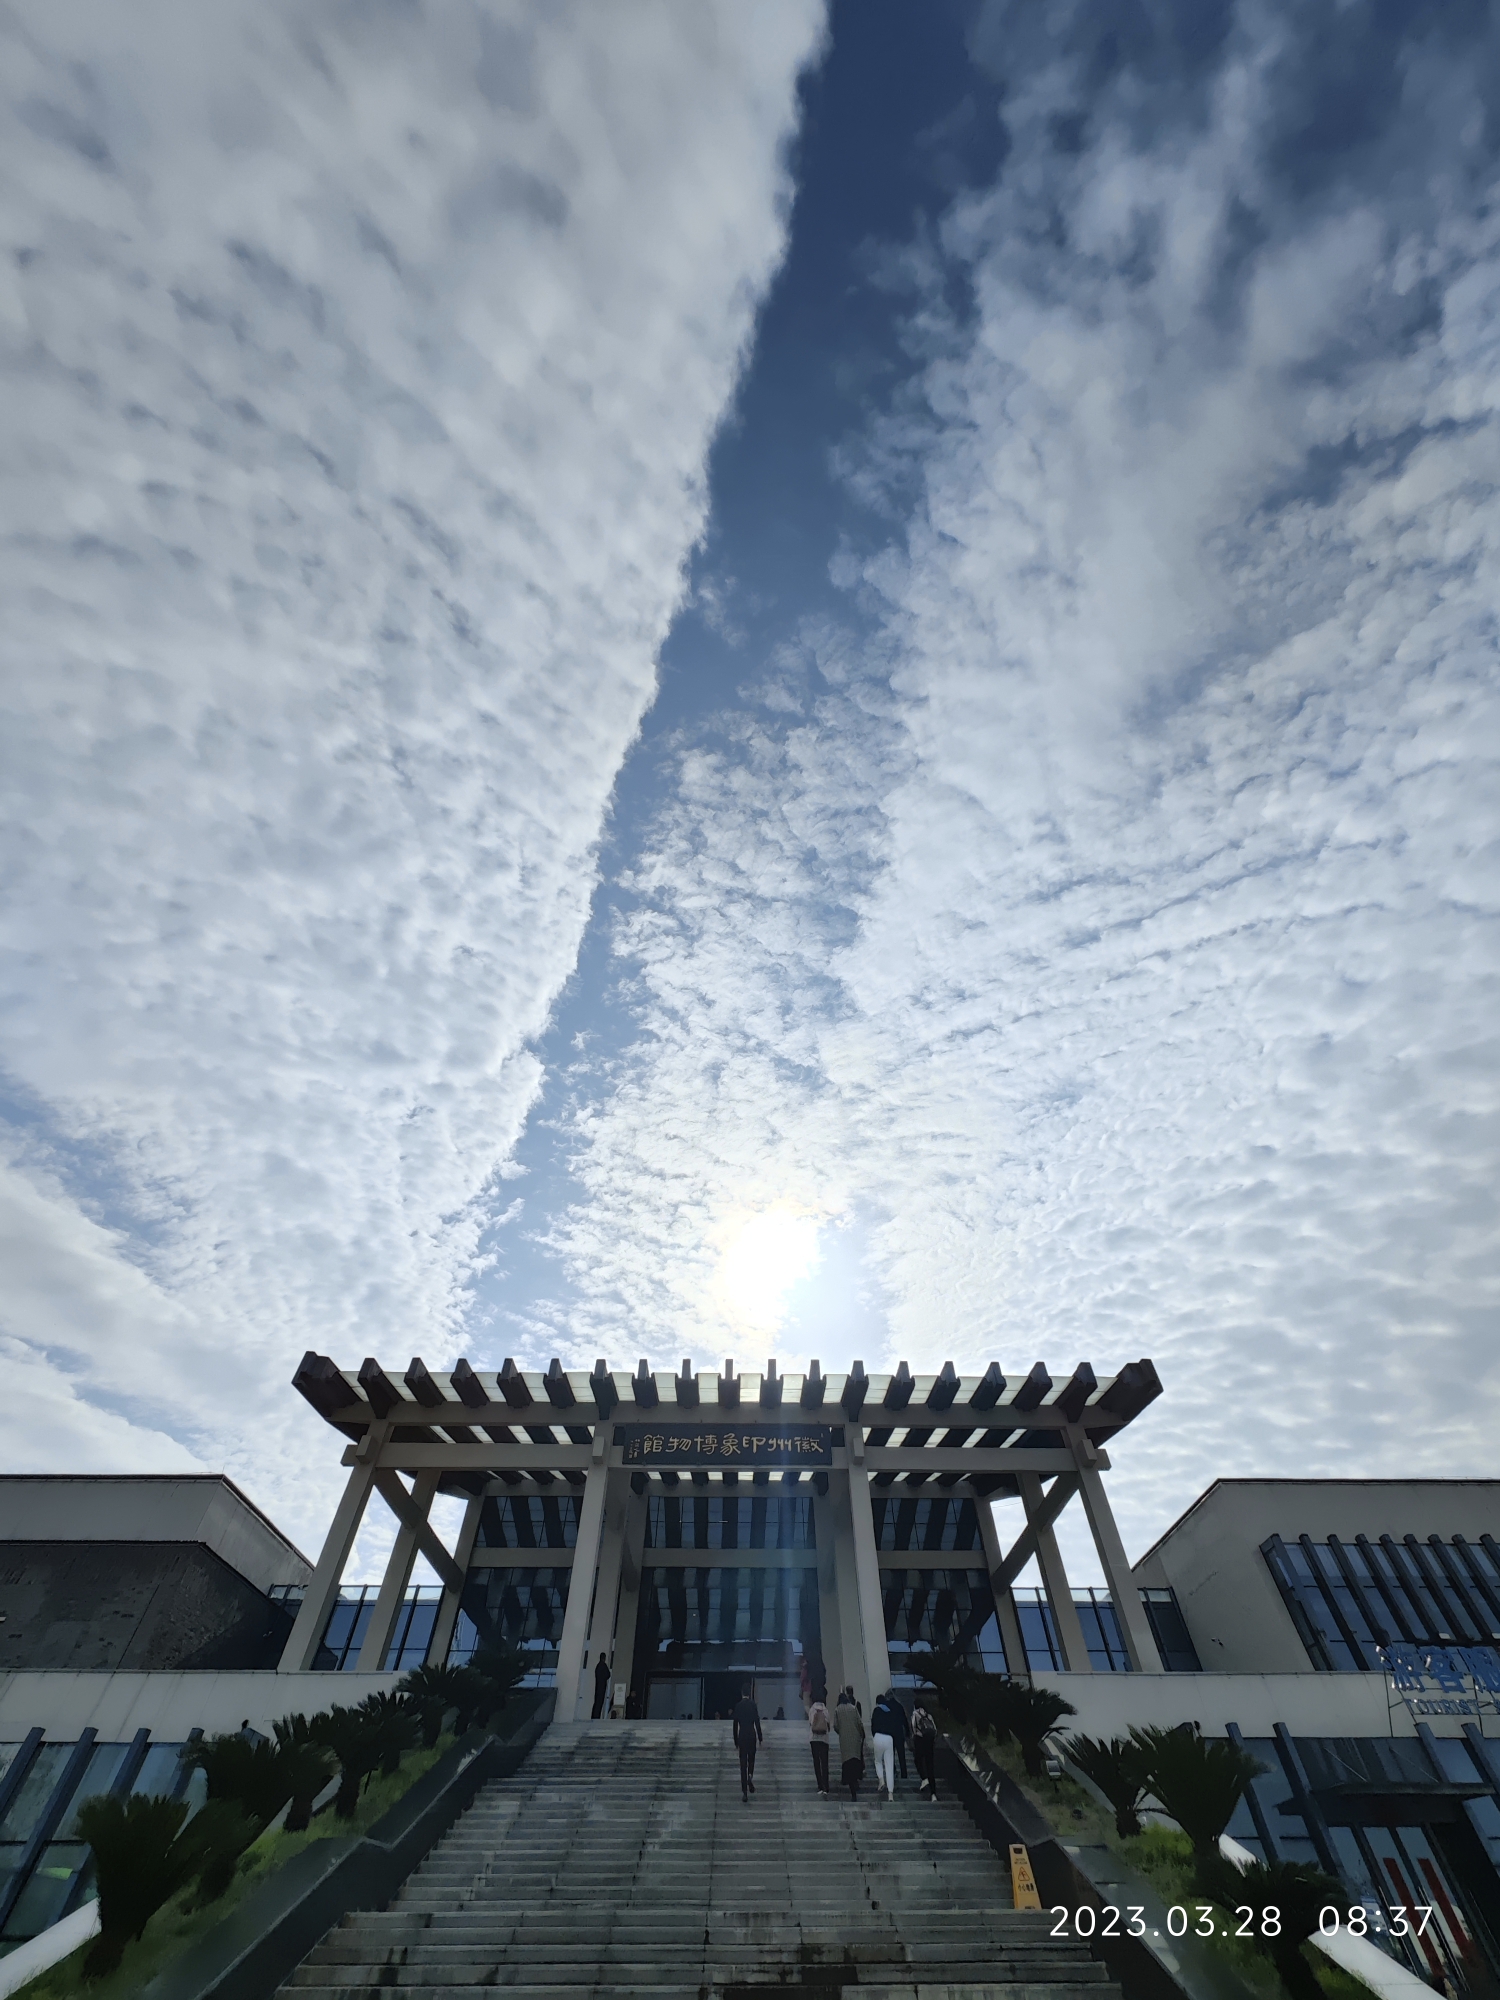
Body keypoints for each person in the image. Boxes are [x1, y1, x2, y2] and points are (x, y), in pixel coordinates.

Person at [732, 1682, 763, 1801]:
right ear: (749, 1693)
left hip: (742, 1735)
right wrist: (760, 1738)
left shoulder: (738, 1706)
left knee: (742, 1764)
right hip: (751, 1734)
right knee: (751, 1759)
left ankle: (744, 1792)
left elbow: (735, 1725)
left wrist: (735, 1741)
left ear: (741, 1693)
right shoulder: (753, 1705)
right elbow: (757, 1721)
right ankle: (750, 1775)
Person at [834, 1686, 865, 1801]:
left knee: (847, 1763)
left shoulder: (837, 1710)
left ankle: (852, 1788)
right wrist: (861, 1734)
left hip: (844, 1741)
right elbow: (860, 1723)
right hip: (855, 1739)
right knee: (855, 1760)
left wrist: (841, 1732)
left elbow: (836, 1726)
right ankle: (856, 1781)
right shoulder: (853, 1708)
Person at [870, 1689, 903, 1800]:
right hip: (889, 1738)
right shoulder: (890, 1711)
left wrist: (874, 1736)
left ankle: (881, 1779)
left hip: (878, 1737)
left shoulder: (876, 1711)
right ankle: (890, 1794)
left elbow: (873, 1725)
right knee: (889, 1766)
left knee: (878, 1761)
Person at [807, 1688, 833, 1796]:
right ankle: (826, 1786)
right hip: (824, 1739)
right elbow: (828, 1726)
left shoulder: (812, 1709)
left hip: (814, 1739)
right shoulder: (825, 1710)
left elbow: (811, 1723)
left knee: (816, 1762)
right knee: (824, 1763)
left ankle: (820, 1786)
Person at [911, 1699, 938, 1801]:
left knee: (917, 1760)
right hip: (929, 1742)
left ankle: (924, 1778)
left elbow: (913, 1727)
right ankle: (933, 1794)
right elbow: (934, 1729)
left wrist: (917, 1735)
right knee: (930, 1766)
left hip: (920, 1741)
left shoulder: (915, 1714)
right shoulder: (928, 1715)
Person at [591, 1652, 612, 1720]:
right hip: (602, 1686)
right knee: (600, 1702)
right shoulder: (603, 1665)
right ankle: (597, 1716)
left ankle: (594, 1716)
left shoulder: (598, 1666)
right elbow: (608, 1674)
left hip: (597, 1686)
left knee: (596, 1701)